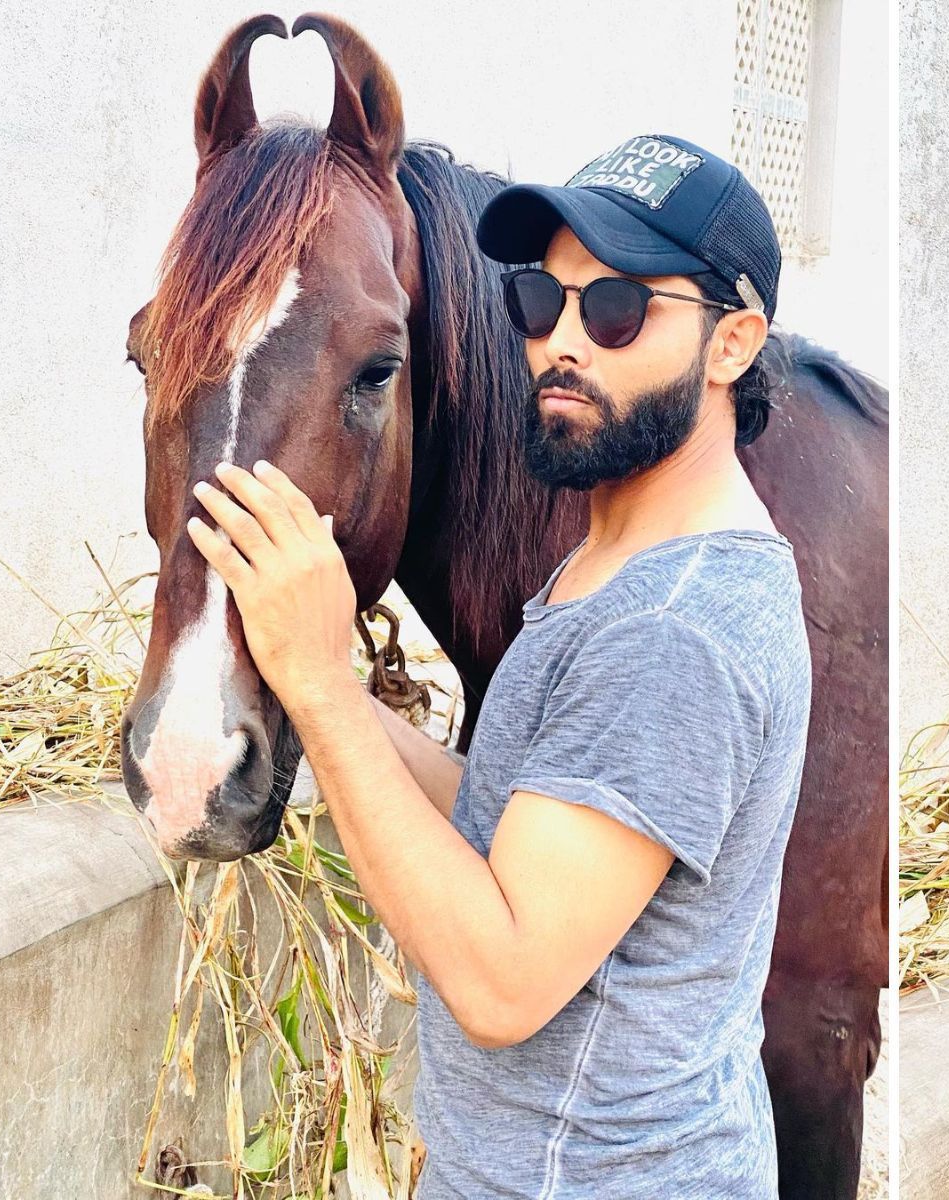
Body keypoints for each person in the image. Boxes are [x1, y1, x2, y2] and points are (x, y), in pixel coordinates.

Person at [185, 133, 812, 1198]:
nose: (563, 342)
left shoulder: (670, 630)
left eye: (616, 309)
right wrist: (301, 665)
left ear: (731, 345)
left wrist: (331, 693)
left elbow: (501, 980)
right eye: (539, 300)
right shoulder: (619, 561)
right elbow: (513, 820)